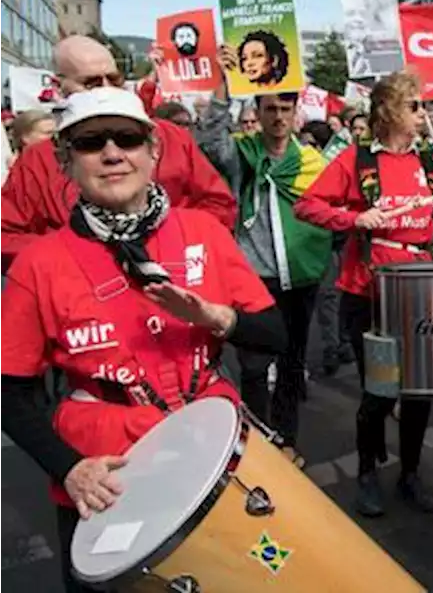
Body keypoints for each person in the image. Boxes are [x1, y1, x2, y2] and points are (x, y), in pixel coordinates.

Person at [0, 88, 287, 593]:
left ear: (153, 152)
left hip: (212, 453)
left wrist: (219, 317)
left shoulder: (204, 232)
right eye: (91, 143)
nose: (113, 153)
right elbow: (7, 390)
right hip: (107, 477)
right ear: (65, 162)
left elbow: (274, 337)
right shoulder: (40, 263)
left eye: (128, 138)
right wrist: (69, 470)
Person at [295, 71, 433, 518]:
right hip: (369, 292)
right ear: (388, 111)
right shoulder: (358, 162)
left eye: (423, 106)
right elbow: (308, 205)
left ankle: (410, 472)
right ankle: (366, 473)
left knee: (420, 391)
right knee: (379, 392)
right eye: (415, 105)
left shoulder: (427, 163)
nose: (424, 113)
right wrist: (354, 220)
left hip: (420, 290)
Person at [0, 36, 236, 273]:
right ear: (57, 86)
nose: (107, 89)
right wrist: (71, 256)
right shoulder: (37, 161)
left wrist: (171, 244)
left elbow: (219, 206)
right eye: (91, 83)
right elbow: (5, 236)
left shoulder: (173, 139)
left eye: (114, 79)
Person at [195, 90, 333, 464]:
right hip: (253, 276)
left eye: (285, 109)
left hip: (299, 274)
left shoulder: (309, 161)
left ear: (295, 113)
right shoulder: (244, 154)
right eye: (269, 108)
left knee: (291, 362)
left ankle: (286, 438)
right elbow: (208, 143)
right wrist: (223, 90)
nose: (277, 117)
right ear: (257, 112)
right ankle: (258, 442)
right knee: (254, 367)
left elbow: (331, 205)